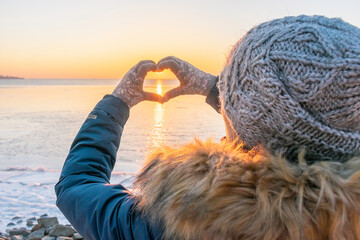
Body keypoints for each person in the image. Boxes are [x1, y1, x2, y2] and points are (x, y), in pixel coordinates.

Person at [55, 15, 360, 240]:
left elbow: (75, 186)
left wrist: (117, 102)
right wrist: (218, 90)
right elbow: (283, 125)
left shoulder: (184, 221)